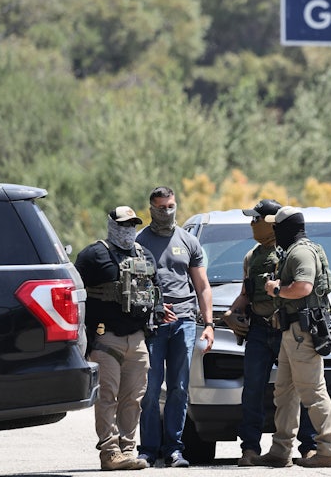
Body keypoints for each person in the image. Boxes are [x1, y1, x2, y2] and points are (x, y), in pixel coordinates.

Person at [222, 199, 317, 466]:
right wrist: (231, 314)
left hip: (287, 330)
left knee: (300, 388)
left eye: (256, 219)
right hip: (259, 332)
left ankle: (308, 447)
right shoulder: (251, 256)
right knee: (251, 390)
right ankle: (250, 449)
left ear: (271, 222)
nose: (252, 224)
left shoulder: (291, 251)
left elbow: (302, 286)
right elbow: (246, 293)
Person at [252, 206, 331, 468]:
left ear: (285, 228)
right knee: (284, 392)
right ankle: (281, 451)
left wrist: (276, 289)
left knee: (313, 391)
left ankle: (329, 449)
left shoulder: (301, 252)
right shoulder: (294, 250)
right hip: (291, 332)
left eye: (276, 228)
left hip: (302, 332)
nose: (273, 233)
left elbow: (303, 287)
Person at [75, 206, 162, 471]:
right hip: (106, 338)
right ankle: (110, 451)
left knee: (134, 398)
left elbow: (156, 292)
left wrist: (155, 317)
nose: (128, 230)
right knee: (107, 397)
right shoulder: (92, 255)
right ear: (111, 225)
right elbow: (76, 294)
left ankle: (128, 449)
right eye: (123, 225)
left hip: (137, 339)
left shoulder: (144, 254)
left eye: (132, 225)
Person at [136, 186, 215, 468]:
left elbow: (202, 286)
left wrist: (208, 324)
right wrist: (155, 307)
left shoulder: (188, 241)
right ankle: (147, 449)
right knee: (150, 388)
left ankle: (174, 449)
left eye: (170, 206)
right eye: (160, 208)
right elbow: (134, 289)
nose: (166, 212)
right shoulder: (139, 242)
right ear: (151, 209)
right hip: (153, 325)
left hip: (184, 322)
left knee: (180, 387)